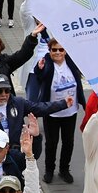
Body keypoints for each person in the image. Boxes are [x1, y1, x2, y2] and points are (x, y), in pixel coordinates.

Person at [33, 39, 85, 183]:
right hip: (52, 111)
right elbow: (40, 75)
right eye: (54, 50)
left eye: (61, 50)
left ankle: (64, 169)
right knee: (51, 143)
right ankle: (49, 170)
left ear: (65, 51)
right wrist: (39, 69)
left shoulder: (72, 63)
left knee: (68, 142)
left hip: (70, 111)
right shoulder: (47, 63)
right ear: (49, 51)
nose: (57, 53)